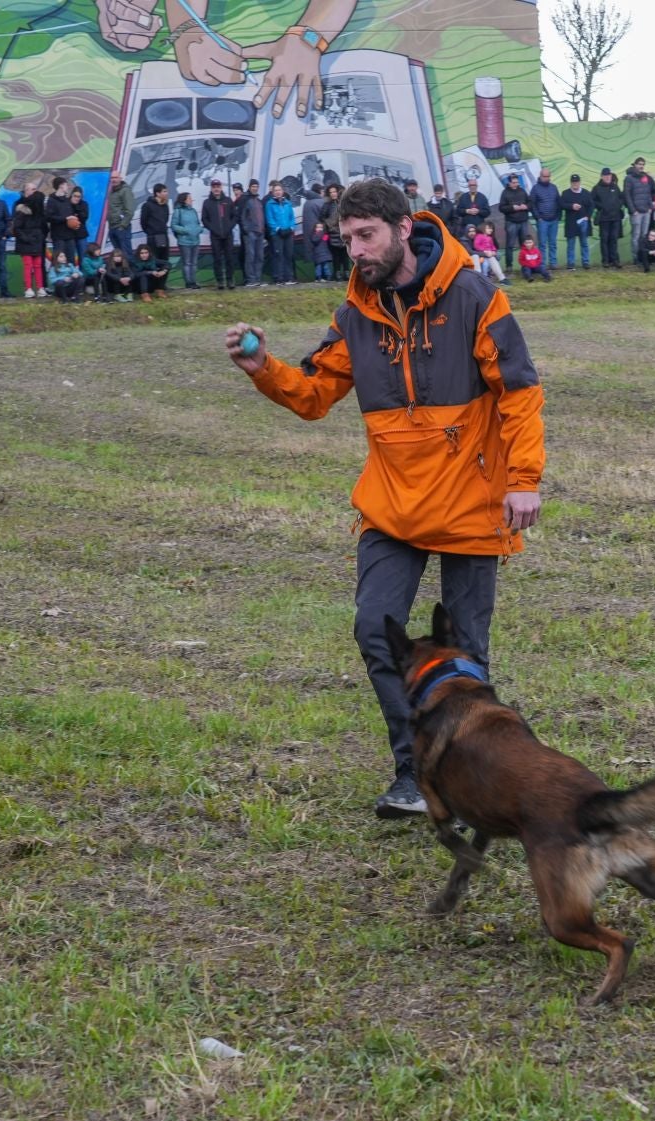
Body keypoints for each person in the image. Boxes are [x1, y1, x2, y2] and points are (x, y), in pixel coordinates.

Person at [222, 177, 544, 819]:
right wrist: (265, 369)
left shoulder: (476, 295)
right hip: (392, 505)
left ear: (403, 229)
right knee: (377, 628)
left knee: (464, 655)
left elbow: (519, 391)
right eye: (346, 240)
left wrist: (524, 480)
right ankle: (414, 772)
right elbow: (314, 393)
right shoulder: (355, 315)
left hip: (471, 501)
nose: (356, 251)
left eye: (366, 236)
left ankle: (477, 776)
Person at [12, 184, 49, 296]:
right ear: (26, 191)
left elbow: (44, 225)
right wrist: (26, 238)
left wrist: (41, 236)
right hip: (26, 242)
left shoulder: (38, 208)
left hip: (37, 241)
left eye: (35, 189)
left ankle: (40, 288)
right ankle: (28, 288)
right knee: (28, 265)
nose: (35, 192)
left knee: (38, 265)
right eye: (32, 189)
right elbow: (16, 228)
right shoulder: (21, 208)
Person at [201, 178, 236, 289]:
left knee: (229, 258)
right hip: (215, 236)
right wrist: (213, 228)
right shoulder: (207, 203)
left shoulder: (228, 200)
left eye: (218, 186)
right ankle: (220, 281)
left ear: (221, 188)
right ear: (211, 189)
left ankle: (230, 280)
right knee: (217, 259)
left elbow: (235, 216)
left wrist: (229, 227)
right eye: (214, 187)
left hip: (228, 235)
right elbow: (204, 219)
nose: (216, 189)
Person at [496, 173, 529, 273]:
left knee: (525, 245)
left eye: (517, 182)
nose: (516, 184)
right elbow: (501, 208)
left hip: (523, 221)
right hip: (511, 222)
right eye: (514, 183)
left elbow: (530, 203)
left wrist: (526, 206)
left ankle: (527, 266)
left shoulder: (522, 191)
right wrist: (512, 208)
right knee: (510, 245)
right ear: (509, 183)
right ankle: (509, 267)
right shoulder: (505, 193)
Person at [592, 168, 626, 268]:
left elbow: (621, 198)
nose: (608, 177)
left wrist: (618, 205)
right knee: (604, 240)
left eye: (609, 175)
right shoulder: (597, 188)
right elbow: (592, 201)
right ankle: (605, 261)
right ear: (602, 176)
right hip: (604, 218)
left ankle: (615, 260)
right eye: (606, 175)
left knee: (614, 239)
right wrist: (601, 206)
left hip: (615, 218)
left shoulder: (615, 187)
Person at [265, 181, 296, 284]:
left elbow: (292, 217)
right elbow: (270, 219)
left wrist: (291, 228)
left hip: (288, 233)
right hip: (277, 234)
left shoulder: (288, 203)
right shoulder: (269, 204)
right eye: (276, 190)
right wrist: (278, 229)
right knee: (278, 255)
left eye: (279, 190)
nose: (278, 192)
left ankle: (289, 277)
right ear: (273, 192)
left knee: (289, 254)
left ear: (282, 191)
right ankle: (279, 278)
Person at [529, 167, 560, 272]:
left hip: (554, 220)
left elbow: (558, 201)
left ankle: (553, 263)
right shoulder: (535, 188)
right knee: (542, 244)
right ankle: (542, 264)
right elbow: (532, 204)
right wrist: (538, 218)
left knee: (553, 243)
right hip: (542, 221)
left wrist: (558, 215)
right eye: (544, 176)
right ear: (540, 176)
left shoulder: (554, 187)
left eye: (548, 176)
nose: (546, 178)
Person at [237, 178, 266, 286]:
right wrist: (245, 229)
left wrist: (263, 228)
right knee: (250, 256)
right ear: (249, 187)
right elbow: (241, 216)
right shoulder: (244, 199)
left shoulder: (259, 201)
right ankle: (250, 279)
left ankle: (257, 278)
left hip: (260, 232)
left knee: (260, 256)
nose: (255, 188)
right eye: (253, 186)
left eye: (257, 186)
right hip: (250, 233)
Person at [560, 174, 591, 270]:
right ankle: (571, 263)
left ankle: (585, 262)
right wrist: (571, 206)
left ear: (579, 182)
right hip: (571, 223)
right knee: (570, 245)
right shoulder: (565, 193)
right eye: (573, 182)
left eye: (577, 182)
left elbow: (591, 205)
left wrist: (587, 216)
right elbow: (561, 205)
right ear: (570, 183)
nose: (575, 184)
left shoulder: (586, 193)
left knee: (584, 243)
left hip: (583, 222)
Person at [171, 192, 202, 287]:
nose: (191, 200)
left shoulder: (193, 211)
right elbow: (174, 225)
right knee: (187, 262)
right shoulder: (178, 211)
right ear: (184, 200)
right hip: (184, 242)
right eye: (189, 198)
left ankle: (194, 281)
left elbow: (197, 223)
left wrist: (199, 229)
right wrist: (186, 230)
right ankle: (188, 282)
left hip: (195, 240)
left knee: (194, 263)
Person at [140, 183, 172, 266]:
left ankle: (163, 277)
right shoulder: (147, 205)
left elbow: (165, 219)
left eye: (166, 191)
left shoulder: (165, 206)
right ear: (157, 193)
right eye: (164, 191)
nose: (166, 193)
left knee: (164, 259)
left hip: (163, 235)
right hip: (153, 237)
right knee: (154, 259)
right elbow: (143, 222)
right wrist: (150, 231)